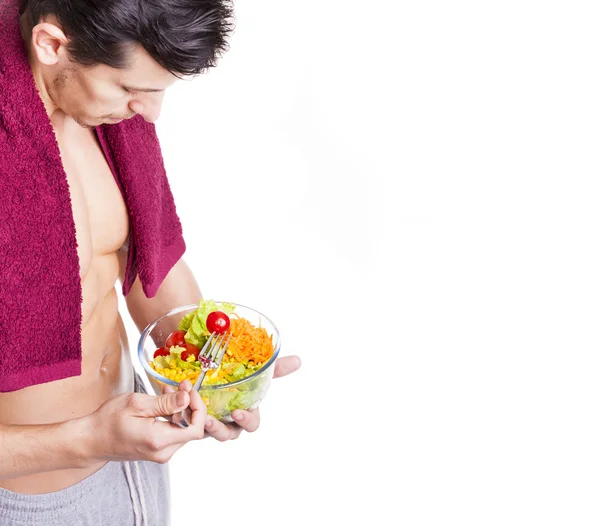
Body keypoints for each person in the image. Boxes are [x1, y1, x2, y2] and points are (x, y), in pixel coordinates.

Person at [0, 0, 301, 524]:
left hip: (128, 459)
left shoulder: (98, 110)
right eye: (129, 88)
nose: (151, 113)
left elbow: (143, 263)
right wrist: (85, 440)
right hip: (27, 497)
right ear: (52, 45)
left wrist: (214, 372)